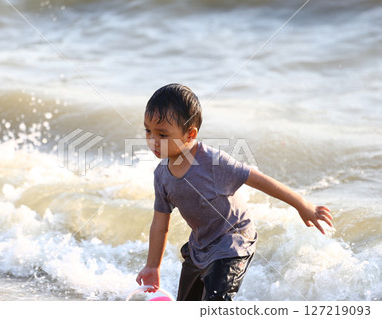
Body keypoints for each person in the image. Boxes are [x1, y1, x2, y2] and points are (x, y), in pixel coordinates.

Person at [135, 83, 333, 301]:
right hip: (200, 247)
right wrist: (152, 266)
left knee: (217, 301)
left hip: (234, 241)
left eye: (162, 134)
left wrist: (301, 204)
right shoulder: (161, 176)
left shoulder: (213, 163)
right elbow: (159, 224)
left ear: (190, 134)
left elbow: (260, 180)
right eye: (147, 130)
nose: (152, 141)